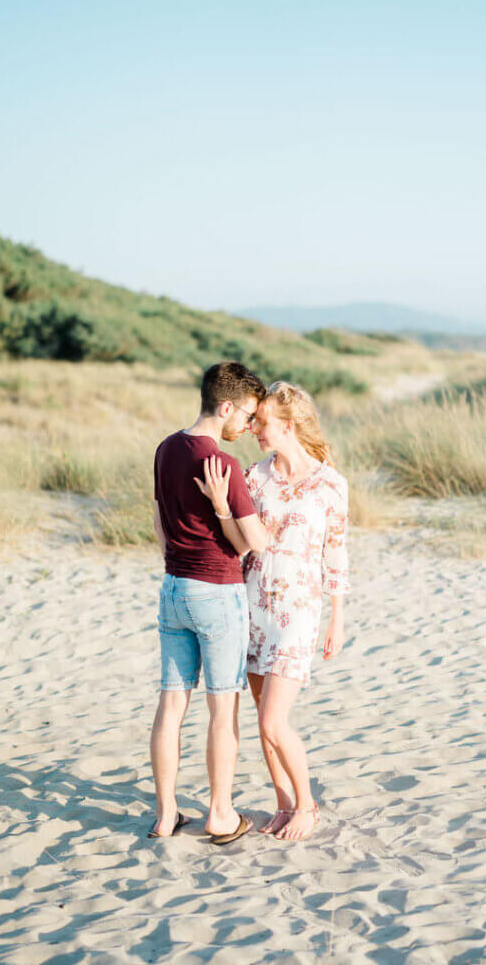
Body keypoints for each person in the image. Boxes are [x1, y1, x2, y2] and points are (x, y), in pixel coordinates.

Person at [199, 381, 349, 841]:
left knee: (272, 720)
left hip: (297, 615)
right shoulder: (253, 476)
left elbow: (336, 554)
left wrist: (336, 618)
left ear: (286, 426)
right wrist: (223, 506)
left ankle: (307, 804)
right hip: (252, 607)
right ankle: (283, 803)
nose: (254, 430)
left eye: (261, 423)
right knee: (262, 715)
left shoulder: (330, 484)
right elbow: (236, 540)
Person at [149, 361, 267, 844]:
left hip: (173, 587)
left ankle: (165, 814)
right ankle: (220, 814)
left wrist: (177, 558)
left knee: (171, 704)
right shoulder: (222, 463)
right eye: (247, 414)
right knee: (223, 708)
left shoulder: (166, 448)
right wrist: (224, 513)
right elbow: (255, 540)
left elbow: (158, 522)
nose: (249, 424)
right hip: (216, 591)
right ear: (225, 406)